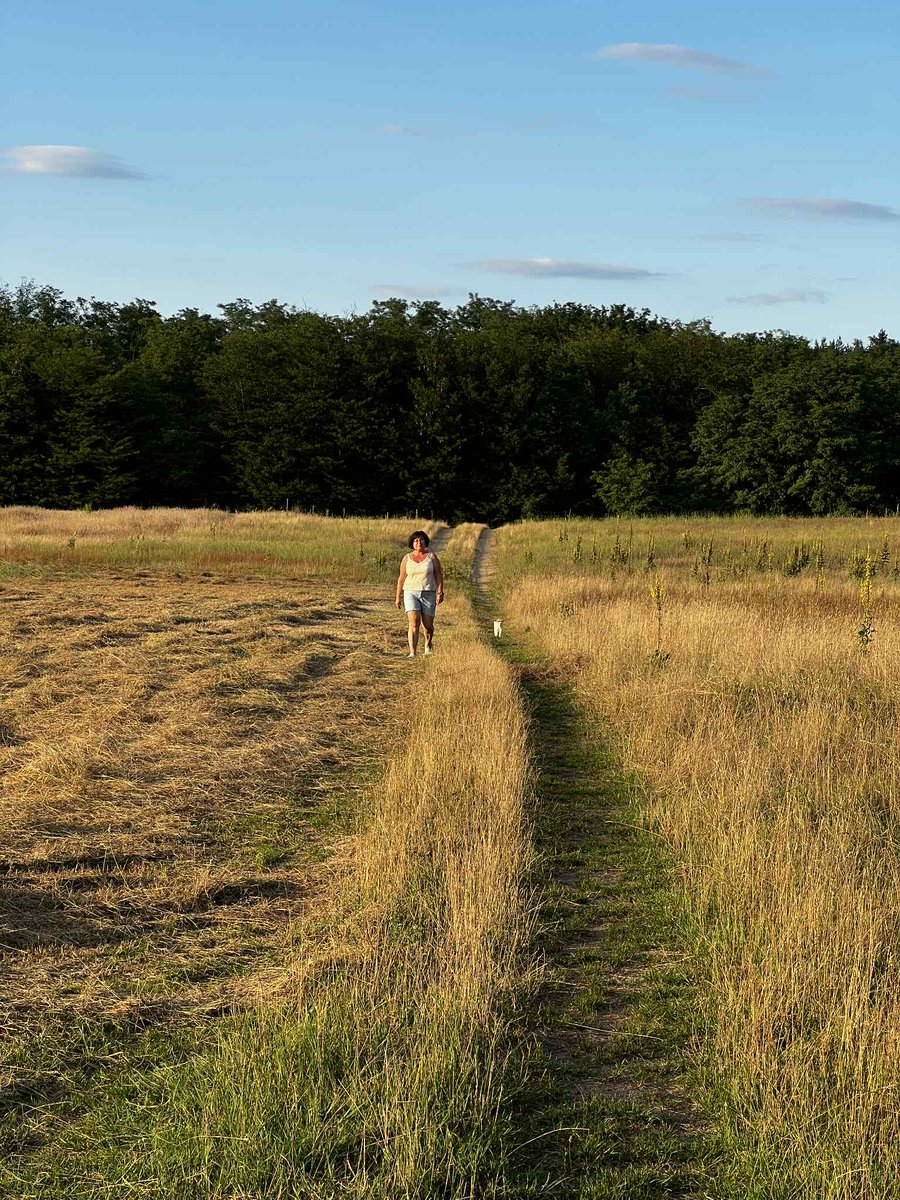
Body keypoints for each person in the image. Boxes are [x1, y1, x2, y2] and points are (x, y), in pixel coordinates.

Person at [395, 530, 444, 657]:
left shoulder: (431, 557)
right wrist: (398, 597)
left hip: (428, 592)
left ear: (425, 541)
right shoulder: (407, 558)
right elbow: (401, 578)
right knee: (414, 622)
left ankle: (428, 643)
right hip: (410, 592)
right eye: (416, 540)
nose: (419, 542)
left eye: (421, 540)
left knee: (428, 626)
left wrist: (440, 592)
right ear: (412, 543)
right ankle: (413, 652)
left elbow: (438, 574)